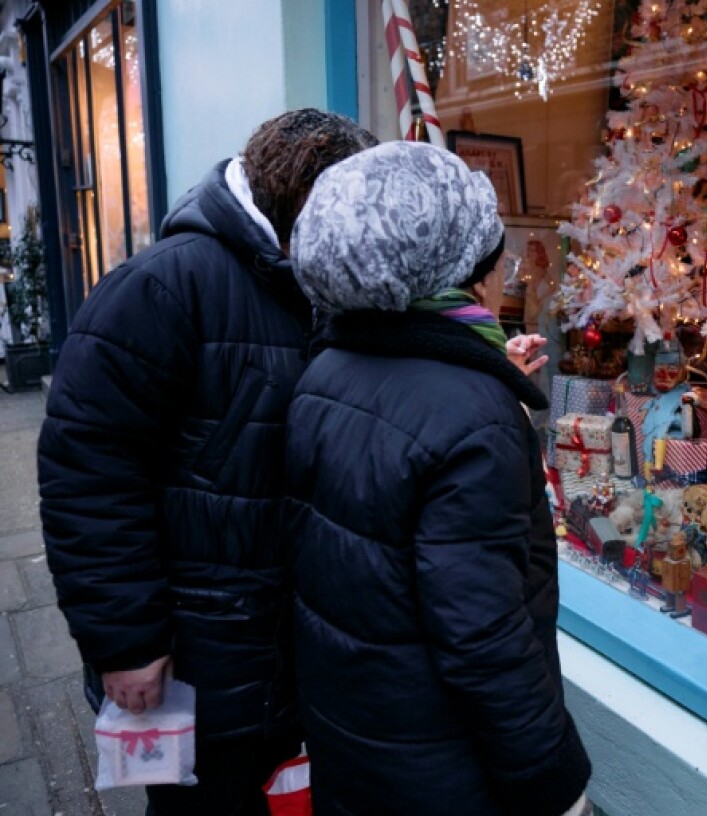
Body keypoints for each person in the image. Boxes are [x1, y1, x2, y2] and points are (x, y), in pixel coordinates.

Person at [37, 109, 379, 815]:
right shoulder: (162, 288)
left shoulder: (324, 284)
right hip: (200, 657)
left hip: (294, 654)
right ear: (300, 207)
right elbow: (88, 479)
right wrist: (125, 643)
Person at [285, 141, 592, 815]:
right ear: (464, 271)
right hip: (440, 765)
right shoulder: (470, 413)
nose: (504, 272)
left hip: (354, 730)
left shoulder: (325, 371)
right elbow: (482, 633)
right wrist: (554, 778)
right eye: (496, 255)